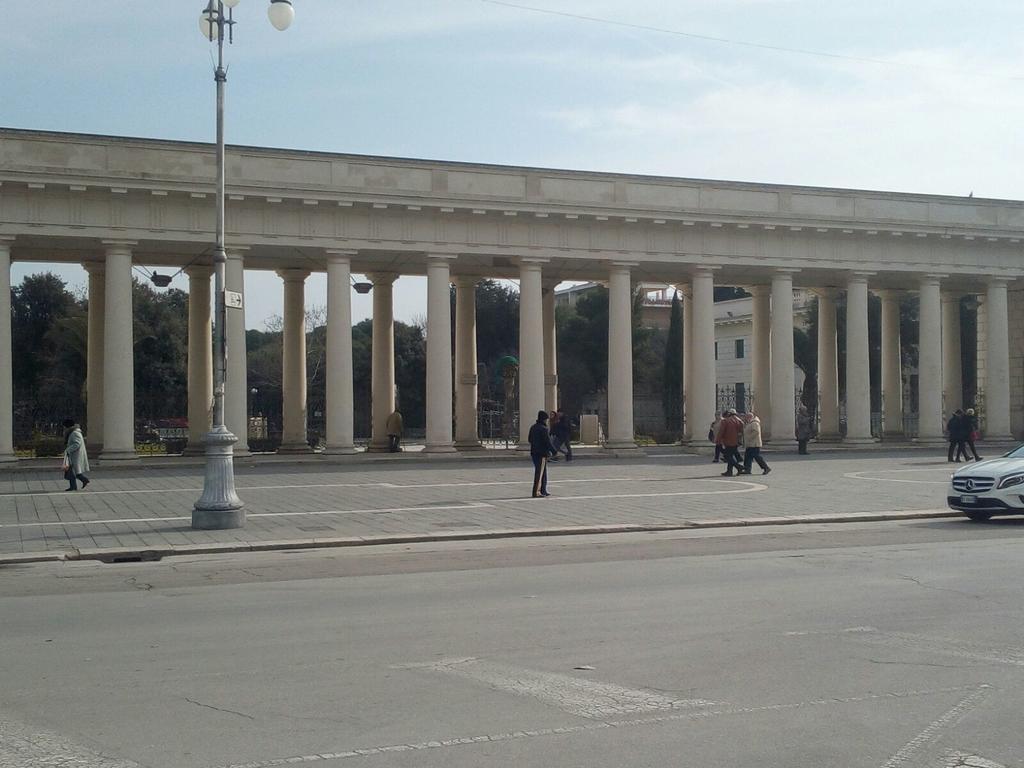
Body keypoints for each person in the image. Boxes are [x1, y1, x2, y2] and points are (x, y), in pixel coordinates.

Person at [528, 410, 558, 497]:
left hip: (534, 452)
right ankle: (536, 492)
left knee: (542, 472)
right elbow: (547, 442)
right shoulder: (544, 429)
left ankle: (543, 490)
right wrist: (554, 451)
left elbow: (529, 439)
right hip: (541, 453)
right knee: (540, 473)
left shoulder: (533, 427)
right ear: (544, 419)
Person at [61, 418, 90, 492]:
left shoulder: (75, 433)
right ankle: (74, 486)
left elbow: (77, 444)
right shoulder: (72, 432)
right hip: (73, 455)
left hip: (75, 455)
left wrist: (68, 450)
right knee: (71, 471)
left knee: (74, 472)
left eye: (64, 426)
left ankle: (84, 480)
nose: (64, 428)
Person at [715, 409, 744, 476]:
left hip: (728, 441)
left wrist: (718, 440)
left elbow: (721, 431)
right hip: (736, 441)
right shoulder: (739, 421)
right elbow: (741, 431)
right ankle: (729, 471)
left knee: (727, 456)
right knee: (730, 456)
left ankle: (738, 467)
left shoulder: (725, 421)